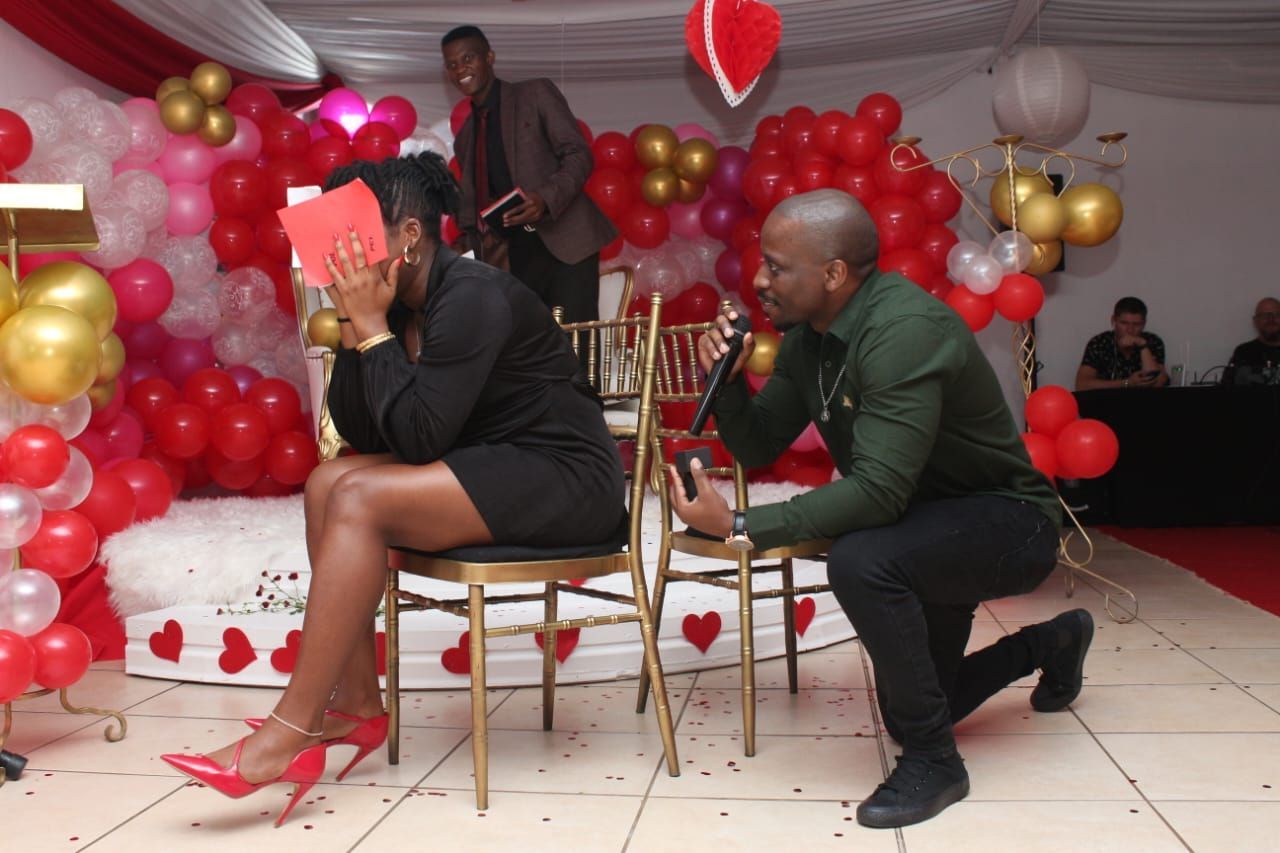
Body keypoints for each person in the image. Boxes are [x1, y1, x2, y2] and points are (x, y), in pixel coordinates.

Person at [161, 153, 626, 826]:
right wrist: (357, 328)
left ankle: (288, 731)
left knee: (356, 497)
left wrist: (373, 329)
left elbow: (417, 440)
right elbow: (359, 427)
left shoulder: (471, 296)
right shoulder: (404, 300)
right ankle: (356, 705)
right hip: (492, 460)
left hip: (563, 474)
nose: (336, 255)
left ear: (407, 236)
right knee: (328, 481)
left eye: (350, 235)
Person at [669, 189, 1093, 829]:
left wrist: (738, 526)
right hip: (925, 525)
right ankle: (1056, 640)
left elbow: (877, 492)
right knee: (921, 702)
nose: (758, 279)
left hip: (1007, 521)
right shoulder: (808, 341)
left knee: (862, 559)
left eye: (777, 266)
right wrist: (727, 388)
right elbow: (756, 442)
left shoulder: (904, 331)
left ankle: (936, 764)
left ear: (834, 274)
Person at [442, 24, 616, 325]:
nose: (461, 69)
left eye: (468, 58)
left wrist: (544, 199)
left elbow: (578, 154)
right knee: (531, 355)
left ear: (489, 57)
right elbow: (473, 207)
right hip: (515, 258)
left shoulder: (534, 93)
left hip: (565, 244)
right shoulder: (465, 136)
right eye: (452, 64)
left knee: (576, 349)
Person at [1075, 296, 1169, 390]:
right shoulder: (1099, 343)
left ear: (1144, 323)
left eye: (1136, 324)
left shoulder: (1152, 341)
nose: (1130, 330)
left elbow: (1158, 382)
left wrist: (1143, 346)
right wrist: (1128, 383)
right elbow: (1082, 385)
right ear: (1113, 320)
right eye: (1124, 323)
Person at [1226, 297, 1280, 384]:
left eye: (1276, 314)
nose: (1271, 319)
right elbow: (1226, 391)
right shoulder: (1243, 352)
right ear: (1255, 321)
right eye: (1265, 315)